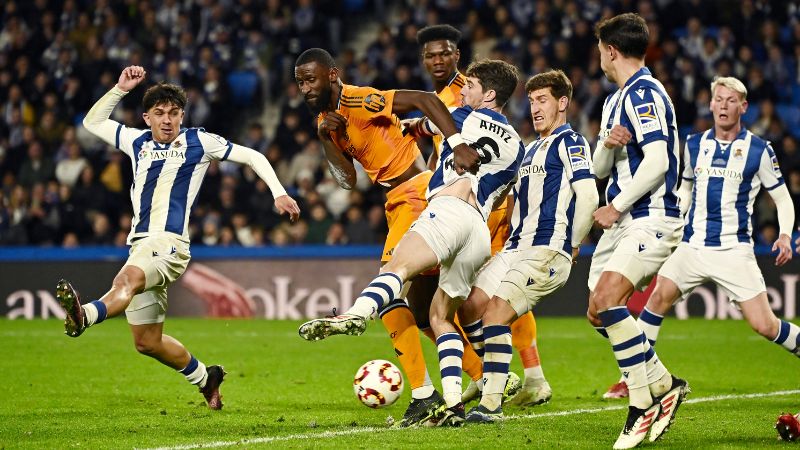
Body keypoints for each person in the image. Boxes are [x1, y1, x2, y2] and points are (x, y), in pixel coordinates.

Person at [57, 66, 300, 410]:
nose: (167, 120)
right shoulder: (136, 141)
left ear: (182, 115)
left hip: (169, 244)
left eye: (173, 113)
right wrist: (119, 89)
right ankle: (205, 377)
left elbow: (253, 155)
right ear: (147, 117)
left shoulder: (199, 141)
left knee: (126, 279)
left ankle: (86, 315)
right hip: (140, 244)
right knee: (147, 342)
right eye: (159, 113)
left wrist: (278, 192)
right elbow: (92, 123)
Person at [300, 58, 524, 426]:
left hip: (417, 194)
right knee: (424, 313)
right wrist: (326, 139)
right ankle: (482, 376)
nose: (305, 88)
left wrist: (453, 141)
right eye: (300, 82)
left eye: (310, 79)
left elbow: (423, 99)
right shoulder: (328, 120)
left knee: (391, 282)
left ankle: (422, 392)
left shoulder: (359, 100)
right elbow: (346, 180)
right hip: (404, 202)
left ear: (331, 75)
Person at [626, 77, 797, 376]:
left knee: (765, 325)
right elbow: (686, 190)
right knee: (656, 298)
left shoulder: (759, 150)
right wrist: (672, 220)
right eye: (719, 99)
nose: (724, 105)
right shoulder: (694, 144)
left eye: (731, 100)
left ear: (744, 107)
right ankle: (633, 377)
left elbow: (783, 199)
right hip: (692, 246)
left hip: (734, 250)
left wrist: (784, 235)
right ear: (710, 104)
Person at [416, 23, 548, 407]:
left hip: (480, 208)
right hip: (463, 200)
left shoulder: (462, 98)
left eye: (444, 53)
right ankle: (485, 373)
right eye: (430, 55)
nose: (437, 60)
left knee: (485, 294)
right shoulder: (453, 98)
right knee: (463, 298)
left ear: (457, 56)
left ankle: (528, 376)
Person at [457, 69, 598, 422]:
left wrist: (574, 242)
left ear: (562, 103)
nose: (535, 108)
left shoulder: (572, 142)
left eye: (543, 100)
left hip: (547, 248)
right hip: (515, 247)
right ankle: (498, 375)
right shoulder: (529, 149)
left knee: (496, 314)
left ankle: (491, 404)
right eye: (532, 101)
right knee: (469, 306)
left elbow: (589, 195)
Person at [588, 14, 689, 449]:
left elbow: (659, 162)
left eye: (600, 50)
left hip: (649, 216)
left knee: (608, 299)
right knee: (598, 311)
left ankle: (641, 405)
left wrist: (616, 205)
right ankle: (664, 384)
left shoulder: (644, 92)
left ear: (611, 50)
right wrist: (607, 145)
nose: (599, 57)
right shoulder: (616, 100)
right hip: (624, 221)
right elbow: (597, 169)